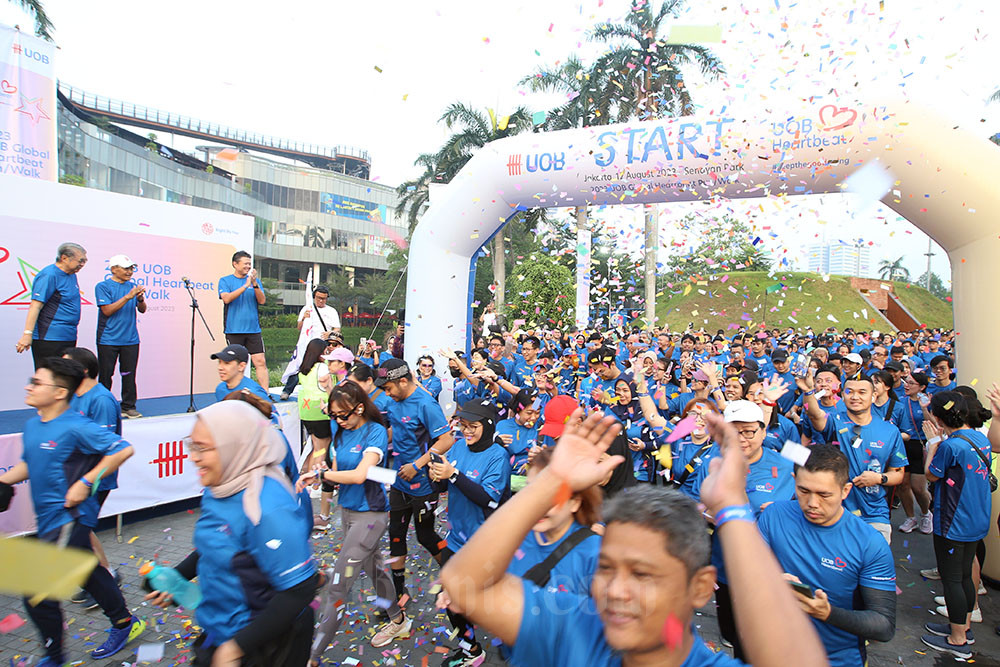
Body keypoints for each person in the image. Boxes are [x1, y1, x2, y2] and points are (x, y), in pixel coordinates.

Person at [438, 408, 829, 667]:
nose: (616, 590)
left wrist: (731, 507)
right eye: (606, 568)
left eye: (643, 574)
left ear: (700, 589)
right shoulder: (574, 629)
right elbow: (464, 583)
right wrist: (554, 481)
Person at [145, 401, 317, 666]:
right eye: (192, 445)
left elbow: (299, 589)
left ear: (235, 447)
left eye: (202, 448)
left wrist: (236, 649)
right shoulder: (221, 486)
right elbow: (219, 543)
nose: (193, 456)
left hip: (266, 644)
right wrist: (176, 578)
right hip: (221, 633)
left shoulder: (267, 506)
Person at [0, 357, 142, 666]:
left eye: (37, 382)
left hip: (72, 516)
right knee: (88, 570)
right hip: (49, 518)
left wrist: (86, 482)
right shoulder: (34, 424)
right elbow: (28, 463)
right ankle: (124, 623)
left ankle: (56, 658)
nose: (29, 386)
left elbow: (123, 449)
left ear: (59, 392)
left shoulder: (77, 426)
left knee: (36, 590)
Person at [297, 382, 411, 661]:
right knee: (376, 571)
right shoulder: (339, 431)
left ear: (359, 408)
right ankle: (398, 620)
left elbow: (361, 474)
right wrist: (320, 473)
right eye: (333, 415)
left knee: (338, 584)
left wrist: (325, 477)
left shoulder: (375, 432)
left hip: (371, 516)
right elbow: (338, 472)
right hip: (347, 511)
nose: (338, 421)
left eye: (343, 415)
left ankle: (311, 656)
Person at [757, 445, 897, 667]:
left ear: (845, 490)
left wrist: (827, 613)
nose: (812, 503)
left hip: (836, 659)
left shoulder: (869, 543)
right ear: (794, 480)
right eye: (803, 491)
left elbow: (883, 625)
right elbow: (750, 575)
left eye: (824, 495)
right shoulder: (773, 515)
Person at [690, 400, 796, 660]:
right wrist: (711, 513)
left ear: (763, 431)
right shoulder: (711, 462)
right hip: (726, 566)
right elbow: (693, 503)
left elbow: (808, 504)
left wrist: (782, 514)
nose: (743, 438)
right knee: (734, 634)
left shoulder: (787, 463)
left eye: (749, 431)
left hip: (774, 568)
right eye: (735, 431)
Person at [428, 399, 511, 666]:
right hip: (457, 538)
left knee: (490, 599)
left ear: (487, 427)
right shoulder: (458, 447)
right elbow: (445, 489)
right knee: (452, 598)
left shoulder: (497, 456)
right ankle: (471, 648)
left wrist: (453, 475)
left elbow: (489, 500)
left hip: (486, 543)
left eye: (473, 426)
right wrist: (438, 476)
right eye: (463, 425)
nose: (467, 431)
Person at [376, 358, 455, 607]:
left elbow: (446, 440)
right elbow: (396, 430)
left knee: (425, 535)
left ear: (402, 381)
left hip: (423, 484)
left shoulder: (426, 404)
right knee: (396, 535)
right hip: (399, 483)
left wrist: (417, 465)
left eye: (388, 388)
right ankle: (399, 593)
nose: (386, 393)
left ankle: (456, 573)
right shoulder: (393, 401)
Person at [919, 392, 993, 659]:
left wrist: (932, 444)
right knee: (964, 576)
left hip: (952, 522)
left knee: (952, 579)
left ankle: (958, 639)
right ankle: (963, 626)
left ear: (937, 417)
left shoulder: (951, 446)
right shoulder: (978, 438)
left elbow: (931, 474)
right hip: (975, 520)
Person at [797, 373, 906, 543]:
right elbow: (815, 416)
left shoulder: (890, 431)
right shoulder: (835, 421)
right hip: (835, 512)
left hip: (875, 514)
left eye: (862, 392)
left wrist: (879, 478)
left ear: (874, 396)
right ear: (842, 395)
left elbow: (898, 473)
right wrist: (808, 391)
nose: (855, 397)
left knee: (873, 565)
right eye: (849, 392)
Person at [63, 346, 124, 609]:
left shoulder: (101, 399)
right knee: (82, 531)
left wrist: (86, 479)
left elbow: (105, 446)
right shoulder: (74, 395)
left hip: (94, 478)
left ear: (84, 370)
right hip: (77, 477)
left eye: (66, 365)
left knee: (80, 531)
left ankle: (104, 582)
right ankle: (104, 575)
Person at [16, 242, 87, 369]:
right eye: (80, 260)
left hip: (68, 336)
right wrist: (27, 334)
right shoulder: (49, 275)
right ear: (64, 258)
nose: (82, 264)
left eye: (84, 261)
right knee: (48, 377)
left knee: (65, 377)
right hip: (49, 338)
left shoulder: (72, 275)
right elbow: (35, 306)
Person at [94, 254, 146, 418]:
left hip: (130, 339)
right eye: (126, 268)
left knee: (129, 375)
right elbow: (107, 310)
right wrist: (128, 297)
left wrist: (140, 299)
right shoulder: (103, 286)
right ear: (114, 269)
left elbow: (142, 309)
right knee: (106, 375)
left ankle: (128, 406)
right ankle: (102, 408)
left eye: (131, 268)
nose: (130, 271)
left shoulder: (133, 287)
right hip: (108, 339)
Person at [295, 338, 335, 529]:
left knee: (315, 446)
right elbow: (329, 384)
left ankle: (312, 481)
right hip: (321, 410)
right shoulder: (322, 368)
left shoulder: (304, 368)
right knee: (322, 448)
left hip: (305, 411)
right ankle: (316, 481)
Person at [279, 285, 342, 400]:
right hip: (309, 344)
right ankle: (287, 390)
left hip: (324, 343)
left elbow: (337, 329)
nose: (321, 301)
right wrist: (304, 318)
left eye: (324, 298)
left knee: (328, 366)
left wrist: (330, 333)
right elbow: (299, 327)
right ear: (314, 297)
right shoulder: (306, 308)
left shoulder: (331, 311)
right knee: (301, 365)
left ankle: (331, 390)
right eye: (319, 298)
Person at [218, 250, 269, 392]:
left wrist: (254, 284)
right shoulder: (225, 280)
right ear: (235, 264)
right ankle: (234, 392)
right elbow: (226, 298)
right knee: (235, 364)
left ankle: (265, 393)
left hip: (253, 329)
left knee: (260, 362)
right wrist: (245, 286)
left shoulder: (255, 281)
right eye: (245, 263)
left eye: (249, 264)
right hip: (233, 330)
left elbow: (262, 300)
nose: (248, 266)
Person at [896, 372, 933, 535]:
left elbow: (932, 423)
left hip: (920, 446)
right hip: (903, 446)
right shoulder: (900, 401)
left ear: (922, 387)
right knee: (902, 485)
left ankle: (926, 513)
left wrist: (925, 409)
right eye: (906, 382)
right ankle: (910, 517)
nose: (906, 385)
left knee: (918, 487)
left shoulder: (928, 401)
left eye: (911, 383)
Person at [496, 387, 541, 476]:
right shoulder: (504, 426)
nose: (533, 417)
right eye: (529, 413)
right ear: (518, 411)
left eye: (537, 413)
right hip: (508, 476)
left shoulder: (540, 426)